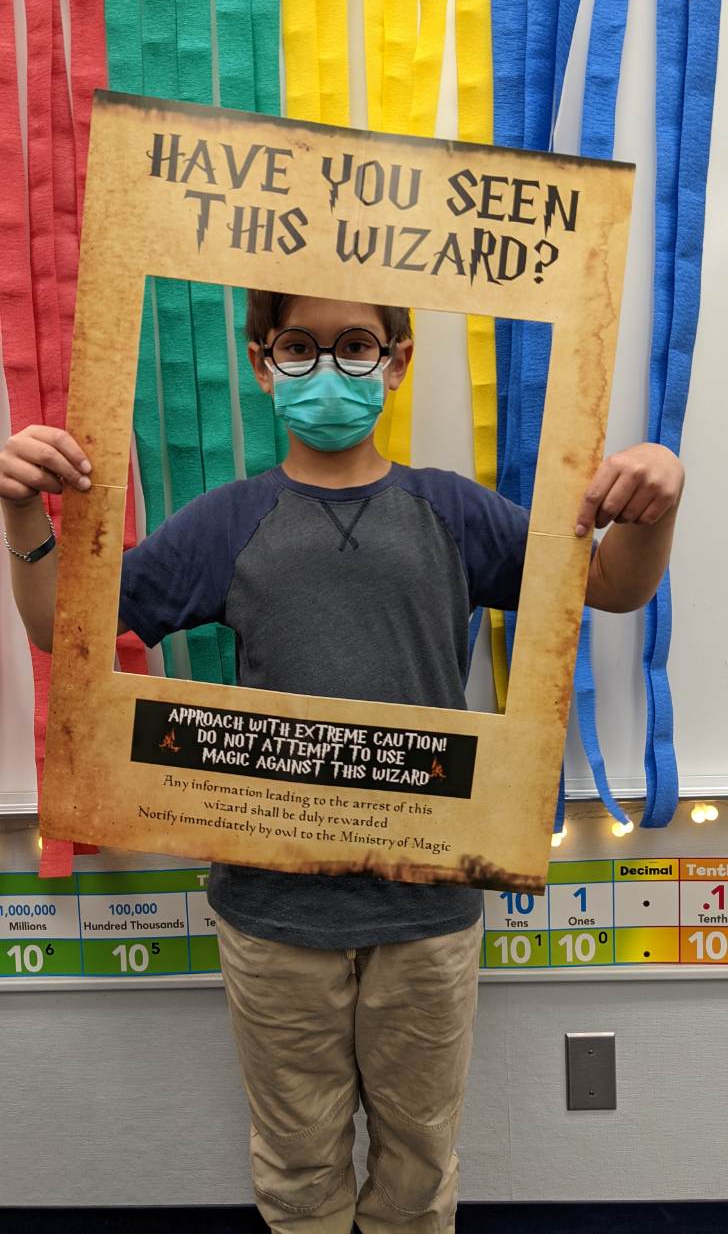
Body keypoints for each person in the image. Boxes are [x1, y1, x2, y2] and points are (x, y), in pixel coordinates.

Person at [0, 291, 684, 1233]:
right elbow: (62, 627)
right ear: (261, 363)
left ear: (397, 361)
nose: (328, 368)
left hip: (428, 910)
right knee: (298, 1175)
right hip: (274, 916)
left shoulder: (451, 510)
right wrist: (21, 516)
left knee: (417, 1174)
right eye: (300, 346)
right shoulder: (227, 521)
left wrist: (656, 500)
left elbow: (609, 583)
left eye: (357, 345)